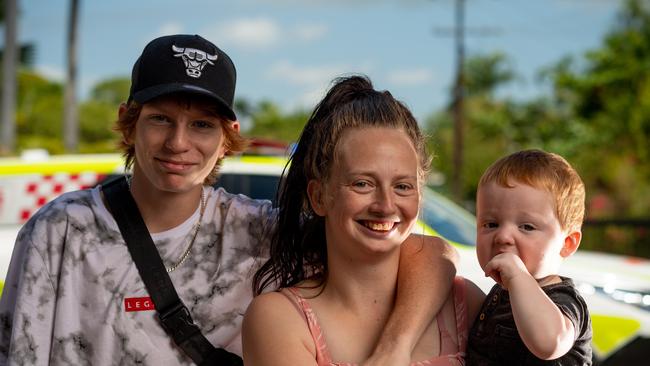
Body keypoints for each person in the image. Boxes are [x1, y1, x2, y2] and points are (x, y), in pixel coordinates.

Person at [0, 35, 457, 365]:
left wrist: (394, 346)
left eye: (202, 125)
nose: (178, 143)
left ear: (227, 138)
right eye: (161, 119)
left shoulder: (256, 229)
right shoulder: (61, 229)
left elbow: (425, 251)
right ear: (128, 121)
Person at [242, 75, 484, 365]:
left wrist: (396, 345)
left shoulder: (463, 303)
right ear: (319, 197)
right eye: (362, 184)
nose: (385, 205)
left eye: (403, 186)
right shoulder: (280, 319)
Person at [466, 149, 593, 365]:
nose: (503, 236)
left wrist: (517, 277)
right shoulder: (499, 295)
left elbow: (549, 343)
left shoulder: (563, 299)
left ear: (567, 243)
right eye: (491, 224)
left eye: (526, 227)